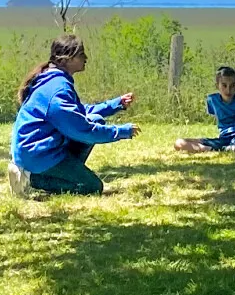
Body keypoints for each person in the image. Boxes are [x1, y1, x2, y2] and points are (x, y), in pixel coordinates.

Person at [10, 34, 139, 196]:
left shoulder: (54, 80)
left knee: (96, 120)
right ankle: (31, 179)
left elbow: (78, 114)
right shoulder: (57, 89)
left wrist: (116, 104)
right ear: (65, 59)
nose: (86, 58)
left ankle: (59, 174)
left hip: (39, 150)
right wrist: (121, 132)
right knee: (92, 187)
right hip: (37, 155)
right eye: (81, 54)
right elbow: (83, 129)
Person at [175, 66, 235, 154]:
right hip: (223, 139)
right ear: (217, 86)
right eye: (224, 85)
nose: (228, 90)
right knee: (179, 143)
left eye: (232, 85)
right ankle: (222, 149)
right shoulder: (212, 100)